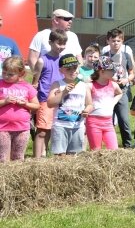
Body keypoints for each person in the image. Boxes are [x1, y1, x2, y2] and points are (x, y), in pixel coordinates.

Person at [31, 29, 67, 158]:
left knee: (53, 128)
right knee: (42, 131)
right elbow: (35, 81)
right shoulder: (42, 60)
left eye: (64, 44)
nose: (61, 47)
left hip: (60, 99)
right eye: (59, 43)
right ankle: (37, 158)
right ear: (50, 42)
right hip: (45, 99)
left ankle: (45, 153)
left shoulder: (64, 60)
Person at [47, 54, 92, 156]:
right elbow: (50, 103)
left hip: (77, 126)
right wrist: (64, 92)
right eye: (68, 69)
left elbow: (89, 104)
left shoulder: (84, 86)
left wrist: (87, 110)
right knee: (60, 156)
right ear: (61, 70)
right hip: (60, 125)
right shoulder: (57, 84)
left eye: (75, 68)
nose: (72, 71)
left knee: (74, 156)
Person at [0, 56, 39, 162]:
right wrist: (4, 101)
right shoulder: (1, 85)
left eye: (10, 74)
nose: (6, 76)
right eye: (4, 73)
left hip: (21, 128)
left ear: (21, 74)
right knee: (3, 158)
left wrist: (25, 104)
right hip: (2, 128)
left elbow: (36, 105)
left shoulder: (27, 87)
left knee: (18, 157)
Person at [103, 28, 135, 148]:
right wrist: (111, 79)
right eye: (113, 40)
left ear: (122, 41)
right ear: (108, 41)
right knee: (107, 118)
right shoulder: (105, 56)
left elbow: (131, 73)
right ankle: (109, 145)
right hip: (108, 90)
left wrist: (127, 79)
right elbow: (100, 74)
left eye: (118, 41)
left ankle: (128, 145)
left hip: (122, 90)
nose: (115, 43)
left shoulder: (126, 55)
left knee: (124, 119)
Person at [85, 57, 123, 151]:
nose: (114, 71)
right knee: (95, 150)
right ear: (101, 71)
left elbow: (120, 93)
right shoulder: (90, 86)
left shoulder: (113, 85)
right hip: (93, 122)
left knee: (114, 150)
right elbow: (88, 104)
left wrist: (113, 103)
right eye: (111, 70)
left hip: (108, 122)